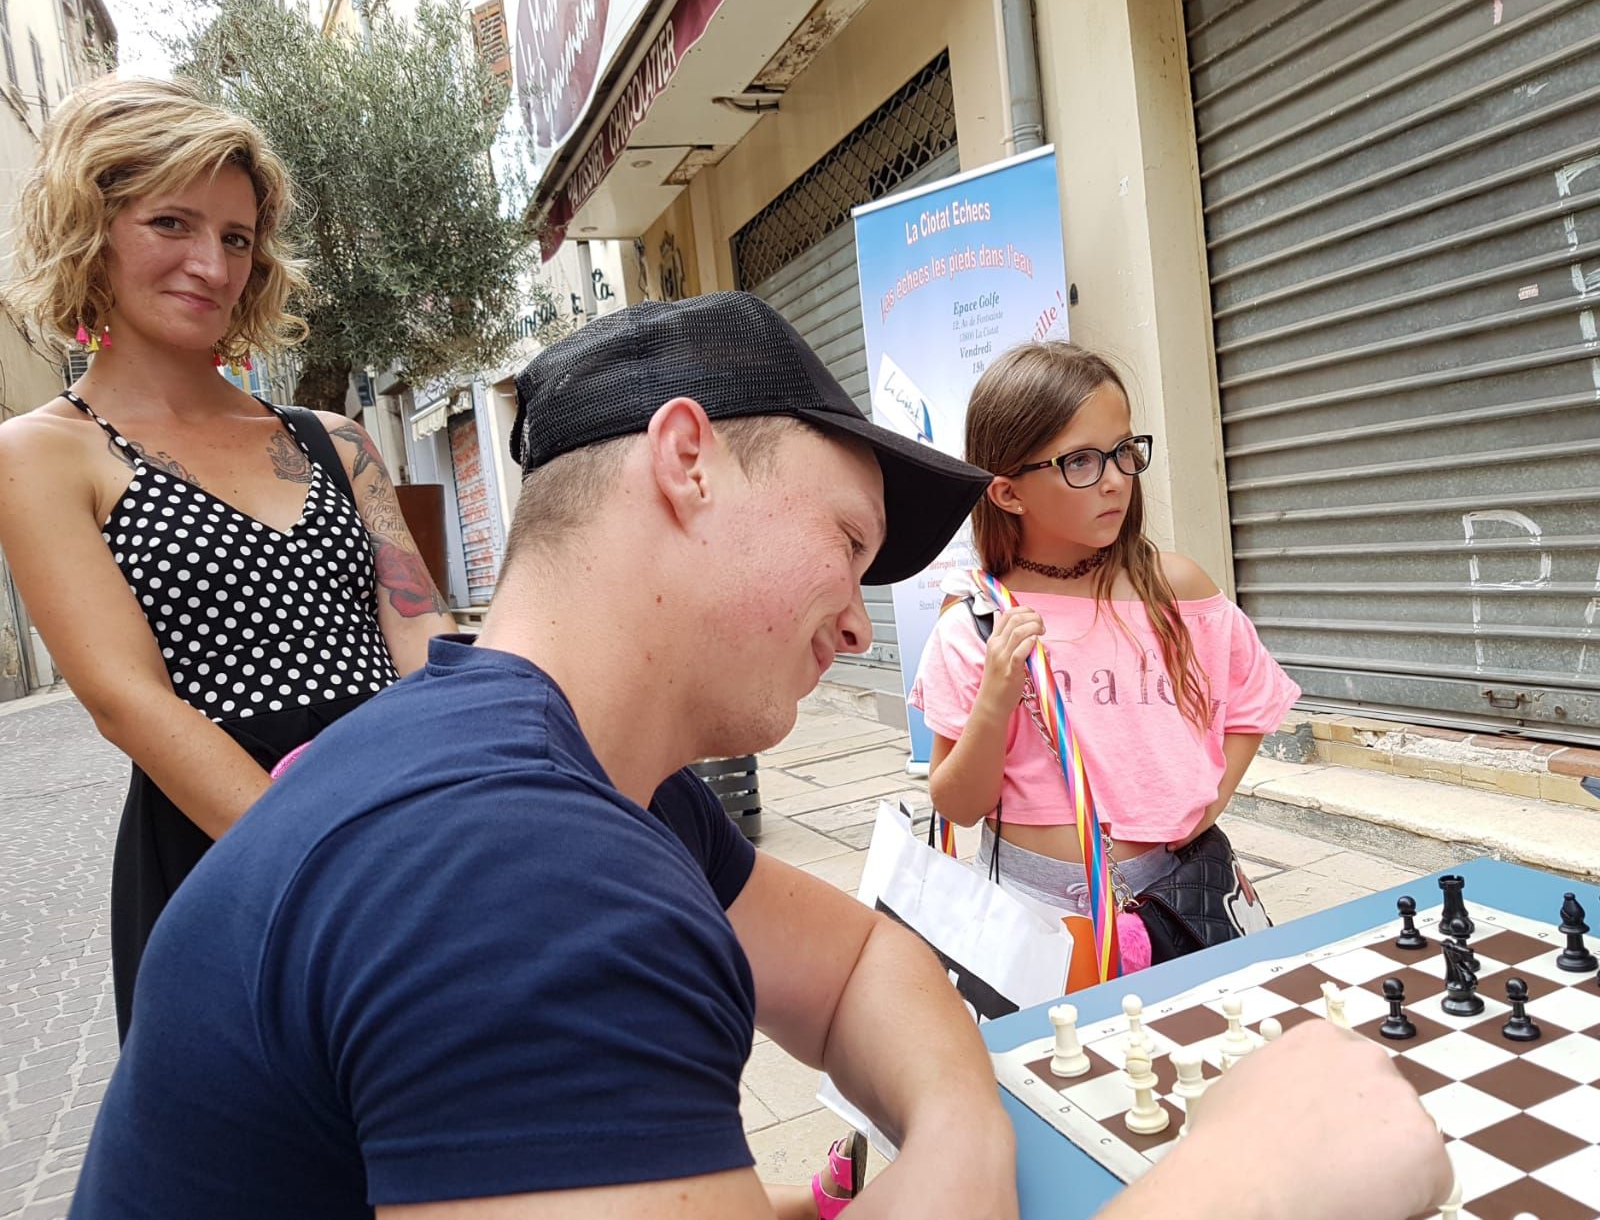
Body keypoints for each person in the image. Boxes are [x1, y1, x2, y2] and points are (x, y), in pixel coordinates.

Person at [68, 294, 1449, 1220]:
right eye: (846, 541)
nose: (855, 622)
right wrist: (1241, 1184)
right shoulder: (512, 869)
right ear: (686, 461)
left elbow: (859, 965)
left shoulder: (583, 777)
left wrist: (957, 1142)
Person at [0, 77, 453, 1039]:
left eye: (237, 237)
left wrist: (476, 787)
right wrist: (326, 867)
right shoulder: (42, 454)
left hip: (404, 818)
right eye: (171, 222)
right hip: (228, 851)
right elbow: (128, 700)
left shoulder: (334, 438)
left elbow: (422, 630)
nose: (211, 265)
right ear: (91, 230)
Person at [912, 341, 1299, 958]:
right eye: (1081, 462)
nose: (1116, 479)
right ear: (1008, 494)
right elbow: (959, 805)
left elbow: (1253, 701)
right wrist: (994, 699)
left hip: (1177, 897)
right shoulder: (979, 620)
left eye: (1123, 451)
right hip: (1030, 914)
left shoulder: (1174, 590)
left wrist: (1210, 804)